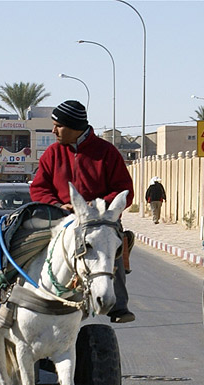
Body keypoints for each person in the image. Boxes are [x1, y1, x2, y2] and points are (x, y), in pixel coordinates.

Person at [30, 100, 136, 323]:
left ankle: (118, 306)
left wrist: (97, 206)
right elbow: (39, 188)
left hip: (99, 220)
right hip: (59, 219)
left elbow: (124, 190)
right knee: (30, 243)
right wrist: (59, 206)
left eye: (58, 126)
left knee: (108, 249)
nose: (53, 130)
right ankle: (13, 285)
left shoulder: (107, 153)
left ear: (74, 126)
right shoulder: (51, 154)